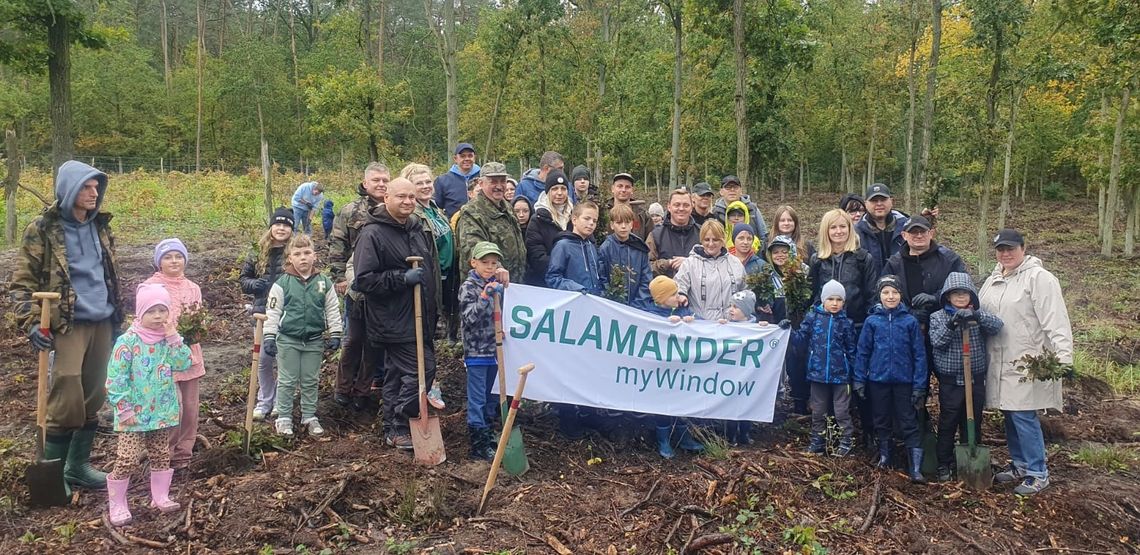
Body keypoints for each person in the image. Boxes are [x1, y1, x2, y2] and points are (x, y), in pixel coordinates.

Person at [11, 160, 124, 493]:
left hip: (102, 320)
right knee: (65, 395)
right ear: (69, 189)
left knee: (94, 394)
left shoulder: (100, 226)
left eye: (96, 187)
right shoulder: (43, 229)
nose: (94, 193)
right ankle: (52, 474)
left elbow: (111, 276)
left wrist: (121, 317)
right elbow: (21, 283)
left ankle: (78, 467)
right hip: (65, 323)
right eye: (87, 187)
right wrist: (31, 321)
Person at [979, 229, 1073, 495]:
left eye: (1010, 248)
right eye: (1000, 250)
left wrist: (1063, 356)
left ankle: (1037, 471)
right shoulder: (993, 279)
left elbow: (1056, 319)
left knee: (1023, 414)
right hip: (998, 358)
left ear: (1023, 248)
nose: (1005, 254)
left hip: (1027, 360)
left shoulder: (1039, 278)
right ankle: (1019, 464)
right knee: (1009, 412)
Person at [353, 178, 440, 449]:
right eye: (401, 196)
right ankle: (403, 420)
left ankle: (392, 427)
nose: (408, 202)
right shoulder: (372, 234)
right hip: (392, 320)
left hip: (418, 317)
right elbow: (364, 280)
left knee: (394, 373)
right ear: (386, 198)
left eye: (412, 197)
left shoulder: (415, 228)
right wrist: (401, 278)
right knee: (422, 370)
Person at [103, 283, 191, 526]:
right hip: (133, 414)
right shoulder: (127, 342)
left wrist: (174, 337)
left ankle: (160, 496)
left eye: (163, 310)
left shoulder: (167, 340)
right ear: (140, 313)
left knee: (161, 454)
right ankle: (117, 503)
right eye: (152, 311)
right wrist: (123, 408)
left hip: (161, 411)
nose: (158, 316)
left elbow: (184, 363)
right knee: (128, 458)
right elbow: (115, 378)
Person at [263, 234, 342, 437]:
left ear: (315, 256)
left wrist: (335, 332)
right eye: (297, 254)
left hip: (314, 340)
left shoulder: (324, 282)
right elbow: (273, 312)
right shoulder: (282, 284)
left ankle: (309, 415)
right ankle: (284, 418)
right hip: (288, 339)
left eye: (307, 253)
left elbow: (332, 308)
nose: (303, 258)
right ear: (290, 258)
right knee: (287, 380)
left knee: (310, 379)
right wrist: (269, 336)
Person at [928, 272, 1003, 482]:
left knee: (972, 420)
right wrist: (952, 323)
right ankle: (943, 462)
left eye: (965, 294)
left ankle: (971, 455)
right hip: (951, 381)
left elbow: (997, 326)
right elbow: (937, 341)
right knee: (948, 421)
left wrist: (977, 316)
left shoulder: (978, 315)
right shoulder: (938, 317)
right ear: (947, 297)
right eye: (955, 294)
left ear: (972, 296)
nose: (961, 298)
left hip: (975, 379)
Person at [855, 275, 929, 483]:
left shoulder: (909, 321)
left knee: (908, 421)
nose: (890, 296)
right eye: (886, 292)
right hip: (878, 380)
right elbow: (863, 352)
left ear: (901, 295)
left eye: (894, 292)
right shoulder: (872, 322)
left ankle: (915, 466)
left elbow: (919, 355)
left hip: (904, 381)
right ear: (879, 295)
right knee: (881, 419)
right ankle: (885, 457)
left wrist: (919, 386)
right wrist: (859, 379)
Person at [329, 163, 389, 411]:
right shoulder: (350, 211)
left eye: (385, 179)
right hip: (355, 286)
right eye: (376, 180)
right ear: (365, 183)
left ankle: (363, 389)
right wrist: (338, 277)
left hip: (382, 286)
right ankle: (343, 387)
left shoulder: (393, 208)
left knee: (374, 341)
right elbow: (337, 245)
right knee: (353, 339)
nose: (381, 184)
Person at [143, 239, 204, 469]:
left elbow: (199, 316)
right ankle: (163, 453)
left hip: (189, 352)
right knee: (171, 405)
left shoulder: (193, 287)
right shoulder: (150, 286)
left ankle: (183, 453)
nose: (174, 261)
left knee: (190, 405)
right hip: (162, 354)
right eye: (168, 257)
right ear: (159, 262)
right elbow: (143, 318)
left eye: (178, 257)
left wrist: (197, 329)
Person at [790, 280, 857, 457]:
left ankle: (845, 442)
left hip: (841, 376)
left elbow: (852, 350)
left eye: (838, 300)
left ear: (843, 302)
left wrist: (855, 375)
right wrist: (787, 330)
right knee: (818, 411)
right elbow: (800, 339)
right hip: (817, 374)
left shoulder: (846, 323)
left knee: (842, 411)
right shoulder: (813, 318)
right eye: (830, 299)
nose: (834, 303)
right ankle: (817, 441)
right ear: (823, 300)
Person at [643, 276, 705, 458]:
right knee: (663, 405)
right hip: (659, 369)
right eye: (673, 294)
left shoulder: (683, 310)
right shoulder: (647, 314)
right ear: (662, 298)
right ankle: (663, 440)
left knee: (681, 402)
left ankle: (683, 437)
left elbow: (703, 325)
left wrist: (694, 322)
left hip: (680, 368)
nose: (678, 297)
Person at [458, 242, 508, 461]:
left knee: (490, 397)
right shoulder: (469, 286)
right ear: (474, 263)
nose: (489, 267)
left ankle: (488, 434)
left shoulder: (497, 284)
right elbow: (469, 318)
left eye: (493, 263)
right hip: (477, 352)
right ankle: (477, 443)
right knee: (477, 398)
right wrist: (484, 296)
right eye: (485, 263)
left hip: (495, 351)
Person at [242, 208, 294, 420]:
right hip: (262, 314)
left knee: (284, 359)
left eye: (286, 225)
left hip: (287, 314)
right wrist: (256, 284)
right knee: (263, 360)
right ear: (271, 227)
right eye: (278, 224)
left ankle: (280, 403)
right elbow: (244, 281)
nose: (281, 228)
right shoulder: (257, 252)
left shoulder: (294, 251)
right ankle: (265, 400)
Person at [407, 162, 459, 348]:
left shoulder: (437, 210)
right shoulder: (414, 214)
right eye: (419, 183)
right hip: (431, 274)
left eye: (428, 181)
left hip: (447, 273)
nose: (425, 186)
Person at [882, 214, 966, 325]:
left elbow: (964, 288)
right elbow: (882, 294)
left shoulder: (949, 259)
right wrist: (908, 312)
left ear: (931, 233)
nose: (919, 235)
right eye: (914, 232)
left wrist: (935, 297)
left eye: (923, 232)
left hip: (946, 323)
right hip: (905, 324)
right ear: (904, 235)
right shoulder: (894, 264)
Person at [456, 162, 527, 281]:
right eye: (493, 181)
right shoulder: (471, 212)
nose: (499, 186)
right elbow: (473, 249)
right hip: (484, 288)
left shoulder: (508, 208)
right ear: (481, 183)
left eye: (502, 181)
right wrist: (497, 268)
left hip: (512, 285)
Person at [675, 220, 746, 321]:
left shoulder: (735, 263)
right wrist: (681, 294)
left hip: (730, 324)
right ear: (701, 240)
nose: (711, 244)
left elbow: (745, 290)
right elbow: (679, 284)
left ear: (722, 240)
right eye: (707, 240)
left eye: (715, 240)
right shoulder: (689, 263)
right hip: (700, 324)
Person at [598, 203, 653, 309]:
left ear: (632, 224)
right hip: (613, 307)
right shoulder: (605, 248)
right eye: (619, 223)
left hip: (638, 307)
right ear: (612, 225)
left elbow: (646, 279)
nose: (623, 226)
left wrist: (638, 304)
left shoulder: (640, 248)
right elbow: (602, 278)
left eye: (627, 222)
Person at [526, 169, 575, 286]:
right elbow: (537, 256)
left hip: (574, 281)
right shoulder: (537, 219)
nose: (559, 193)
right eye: (554, 189)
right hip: (546, 284)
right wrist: (562, 269)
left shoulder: (575, 216)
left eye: (563, 189)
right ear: (548, 192)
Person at [545, 201, 602, 294]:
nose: (591, 223)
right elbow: (552, 278)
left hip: (593, 303)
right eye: (587, 219)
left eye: (594, 220)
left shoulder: (592, 247)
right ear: (574, 220)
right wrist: (576, 289)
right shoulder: (563, 246)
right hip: (573, 302)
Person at [854, 183, 906, 274]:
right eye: (874, 200)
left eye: (883, 199)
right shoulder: (856, 233)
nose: (879, 204)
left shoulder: (906, 228)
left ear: (891, 201)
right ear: (866, 204)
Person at [648, 189, 701, 278]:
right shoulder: (655, 235)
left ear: (692, 207)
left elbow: (714, 262)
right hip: (666, 289)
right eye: (677, 205)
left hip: (697, 290)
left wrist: (689, 263)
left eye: (686, 205)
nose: (681, 208)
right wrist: (668, 263)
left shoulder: (702, 233)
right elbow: (646, 266)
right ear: (669, 207)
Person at [760, 235, 810, 324]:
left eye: (784, 252)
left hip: (802, 325)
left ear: (792, 252)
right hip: (778, 328)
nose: (780, 255)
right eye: (775, 252)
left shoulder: (804, 271)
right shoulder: (768, 275)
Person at [711, 175, 767, 245]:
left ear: (741, 190)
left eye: (735, 187)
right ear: (721, 191)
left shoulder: (752, 208)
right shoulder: (715, 212)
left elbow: (763, 235)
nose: (732, 190)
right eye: (728, 188)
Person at [433, 142, 481, 218]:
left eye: (470, 156)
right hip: (454, 225)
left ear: (474, 158)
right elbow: (438, 205)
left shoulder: (484, 178)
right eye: (463, 156)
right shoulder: (442, 180)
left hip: (482, 225)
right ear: (455, 159)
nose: (467, 159)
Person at [606, 173, 654, 240]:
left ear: (632, 190)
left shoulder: (642, 215)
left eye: (627, 187)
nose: (623, 190)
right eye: (620, 186)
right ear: (612, 188)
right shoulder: (603, 212)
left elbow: (651, 241)